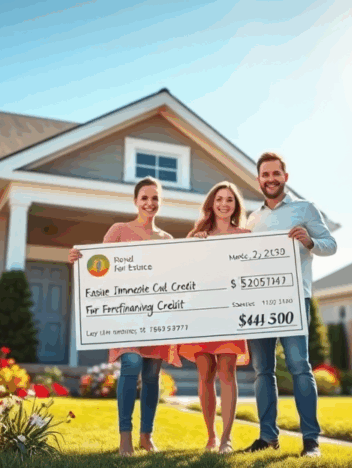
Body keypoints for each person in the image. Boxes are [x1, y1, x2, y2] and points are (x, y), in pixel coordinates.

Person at [68, 177, 182, 457]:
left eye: (155, 198)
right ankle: (125, 437)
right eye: (144, 198)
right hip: (125, 315)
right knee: (130, 364)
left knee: (153, 376)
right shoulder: (119, 230)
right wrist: (79, 259)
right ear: (135, 201)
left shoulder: (166, 239)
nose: (150, 203)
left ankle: (147, 436)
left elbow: (173, 276)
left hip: (155, 317)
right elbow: (101, 266)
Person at [241, 152, 337, 458]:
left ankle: (311, 440)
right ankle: (268, 436)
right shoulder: (252, 219)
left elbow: (330, 245)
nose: (270, 179)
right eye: (265, 175)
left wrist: (309, 242)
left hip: (294, 300)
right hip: (257, 303)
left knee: (299, 367)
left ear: (285, 176)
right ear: (258, 180)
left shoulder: (305, 208)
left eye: (275, 174)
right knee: (262, 371)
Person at [178, 181, 251, 454]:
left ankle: (226, 439)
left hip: (230, 313)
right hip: (202, 314)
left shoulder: (245, 235)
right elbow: (183, 274)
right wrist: (191, 247)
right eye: (219, 199)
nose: (224, 204)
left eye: (229, 200)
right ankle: (211, 435)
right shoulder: (197, 235)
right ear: (211, 203)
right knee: (205, 374)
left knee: (227, 373)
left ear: (235, 206)